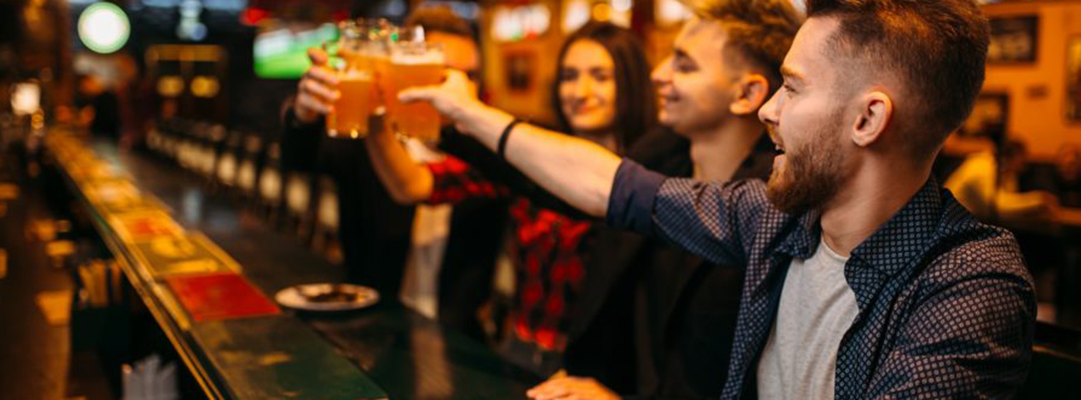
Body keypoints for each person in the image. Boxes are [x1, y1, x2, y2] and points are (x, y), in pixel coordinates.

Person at [402, 0, 1036, 398]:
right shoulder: (780, 220)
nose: (768, 109)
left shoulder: (969, 285)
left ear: (868, 120)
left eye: (791, 87)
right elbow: (613, 186)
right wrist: (466, 112)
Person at [363, 21, 656, 376]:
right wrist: (374, 117)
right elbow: (413, 186)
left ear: (631, 83)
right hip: (517, 351)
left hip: (597, 371)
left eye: (600, 76)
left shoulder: (650, 178)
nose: (579, 90)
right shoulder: (531, 157)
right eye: (568, 75)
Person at [546, 0, 799, 398]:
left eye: (684, 65)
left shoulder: (774, 209)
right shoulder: (661, 158)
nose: (657, 74)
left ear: (748, 93)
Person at [281, 6, 501, 339]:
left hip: (459, 339)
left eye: (471, 75)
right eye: (446, 73)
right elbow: (299, 158)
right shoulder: (363, 142)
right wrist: (302, 113)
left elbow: (415, 185)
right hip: (372, 329)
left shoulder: (488, 153)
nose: (462, 88)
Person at [945, 139, 1057, 224]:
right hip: (948, 222)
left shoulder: (1007, 173)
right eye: (1021, 161)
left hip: (967, 222)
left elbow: (1010, 201)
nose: (1023, 167)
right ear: (1010, 157)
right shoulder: (982, 166)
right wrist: (1038, 200)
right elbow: (997, 209)